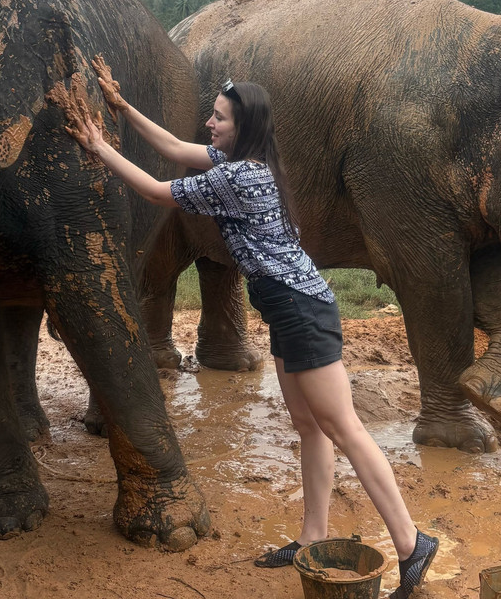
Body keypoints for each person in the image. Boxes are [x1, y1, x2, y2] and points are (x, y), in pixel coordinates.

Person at [65, 70, 439, 598]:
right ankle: (313, 537)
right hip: (286, 308)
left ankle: (410, 541)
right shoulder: (241, 164)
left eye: (218, 117)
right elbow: (173, 147)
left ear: (243, 128)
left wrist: (100, 146)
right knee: (308, 425)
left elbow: (154, 190)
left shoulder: (241, 178)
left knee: (343, 427)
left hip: (301, 309)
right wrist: (122, 107)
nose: (209, 123)